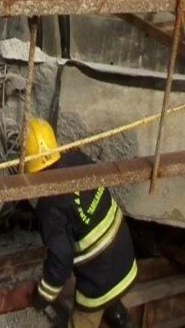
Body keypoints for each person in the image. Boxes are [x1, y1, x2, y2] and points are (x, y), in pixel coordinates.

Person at [25, 119, 137, 328]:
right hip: (126, 255)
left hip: (100, 278)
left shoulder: (49, 205)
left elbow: (60, 263)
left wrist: (41, 298)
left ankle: (109, 309)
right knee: (109, 292)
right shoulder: (77, 158)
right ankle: (122, 319)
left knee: (82, 321)